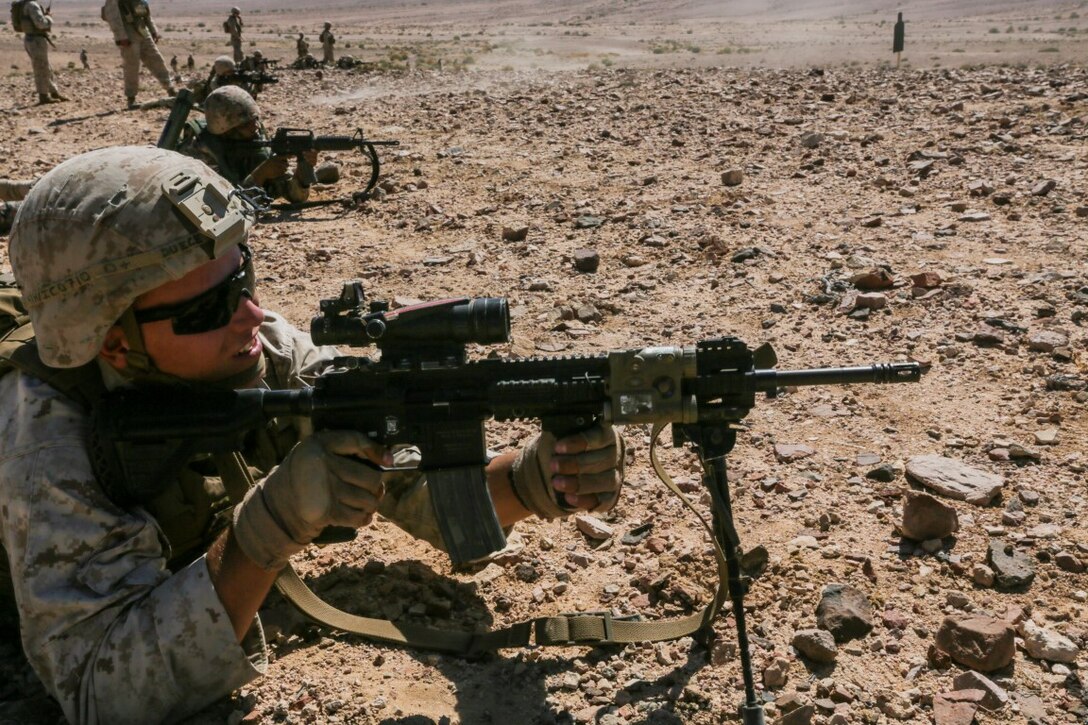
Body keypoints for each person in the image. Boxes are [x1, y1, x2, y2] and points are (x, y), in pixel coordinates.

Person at [0, 145, 625, 723]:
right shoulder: (46, 441)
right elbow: (98, 693)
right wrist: (264, 532)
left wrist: (536, 480)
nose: (250, 313)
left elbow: (407, 482)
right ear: (113, 341)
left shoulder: (255, 347)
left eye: (241, 278)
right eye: (207, 309)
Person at [177, 86, 315, 204]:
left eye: (255, 119)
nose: (255, 127)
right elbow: (224, 206)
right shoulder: (202, 151)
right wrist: (260, 175)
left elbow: (296, 197)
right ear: (226, 130)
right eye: (245, 124)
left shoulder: (255, 139)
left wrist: (302, 173)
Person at [101, 0, 177, 109]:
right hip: (128, 34)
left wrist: (153, 30)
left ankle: (170, 89)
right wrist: (121, 36)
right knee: (131, 66)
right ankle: (131, 98)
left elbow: (144, 12)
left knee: (156, 59)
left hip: (142, 31)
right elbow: (113, 15)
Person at [19, 0, 66, 105]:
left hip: (30, 39)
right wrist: (49, 18)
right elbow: (41, 24)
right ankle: (43, 96)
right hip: (36, 41)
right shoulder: (32, 5)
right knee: (41, 68)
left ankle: (53, 92)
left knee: (45, 67)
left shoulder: (24, 4)